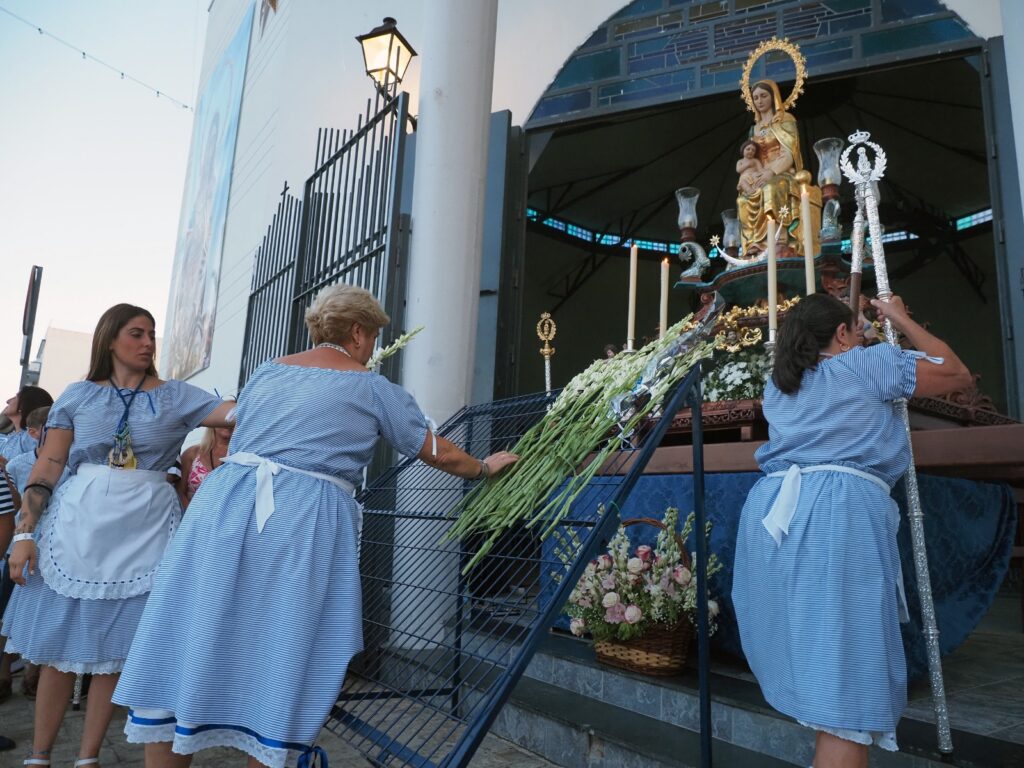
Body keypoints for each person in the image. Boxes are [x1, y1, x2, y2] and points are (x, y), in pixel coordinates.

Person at [113, 284, 519, 768]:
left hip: (221, 508)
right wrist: (485, 468)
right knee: (282, 642)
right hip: (300, 518)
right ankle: (264, 740)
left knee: (191, 628)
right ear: (356, 331)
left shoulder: (268, 371)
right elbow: (436, 450)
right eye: (371, 339)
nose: (371, 351)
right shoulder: (371, 388)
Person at [731, 293, 971, 768]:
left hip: (775, 521)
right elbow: (956, 374)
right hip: (835, 523)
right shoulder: (865, 365)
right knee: (848, 680)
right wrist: (900, 317)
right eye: (859, 328)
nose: (865, 335)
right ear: (840, 335)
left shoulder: (779, 386)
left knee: (819, 664)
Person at [3, 304, 234, 768]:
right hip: (78, 522)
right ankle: (40, 756)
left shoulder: (177, 396)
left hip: (146, 526)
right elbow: (49, 464)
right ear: (110, 339)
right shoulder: (78, 395)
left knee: (114, 651)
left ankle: (88, 757)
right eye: (137, 333)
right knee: (58, 651)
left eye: (152, 334)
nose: (149, 342)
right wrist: (23, 534)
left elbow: (236, 412)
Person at [1, 406, 59, 702]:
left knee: (47, 612)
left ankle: (35, 673)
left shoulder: (71, 463)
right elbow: (12, 503)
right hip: (23, 544)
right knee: (14, 612)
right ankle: (7, 672)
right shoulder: (19, 463)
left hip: (57, 546)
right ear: (35, 433)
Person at [736, 79, 808, 257]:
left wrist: (771, 172)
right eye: (756, 98)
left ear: (773, 97)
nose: (759, 101)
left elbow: (790, 154)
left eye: (764, 96)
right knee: (743, 199)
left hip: (781, 172)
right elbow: (751, 159)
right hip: (759, 173)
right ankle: (755, 244)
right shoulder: (754, 130)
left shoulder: (785, 120)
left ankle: (779, 239)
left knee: (770, 188)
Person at [177, 417, 234, 510]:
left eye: (234, 420)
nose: (229, 423)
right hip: (192, 520)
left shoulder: (242, 458)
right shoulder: (191, 453)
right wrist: (191, 517)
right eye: (226, 419)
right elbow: (180, 491)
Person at [0, 387, 54, 471]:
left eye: (16, 397)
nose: (8, 401)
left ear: (25, 404)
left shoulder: (32, 437)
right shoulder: (8, 438)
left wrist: (6, 466)